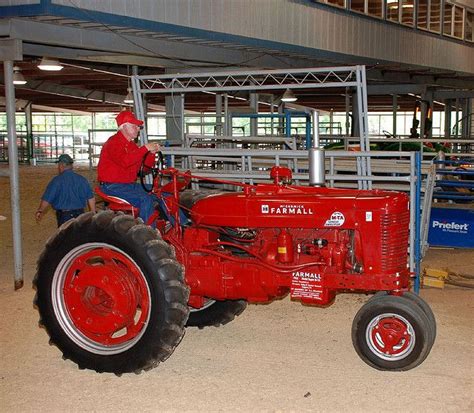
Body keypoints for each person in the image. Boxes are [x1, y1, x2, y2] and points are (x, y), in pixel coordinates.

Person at [97, 110, 161, 224]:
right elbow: (125, 161)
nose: (138, 128)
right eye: (134, 126)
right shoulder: (113, 142)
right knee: (145, 199)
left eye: (138, 126)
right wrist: (145, 148)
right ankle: (148, 234)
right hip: (112, 186)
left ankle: (182, 225)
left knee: (161, 191)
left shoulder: (131, 146)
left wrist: (151, 153)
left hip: (127, 185)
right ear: (124, 127)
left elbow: (144, 168)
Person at [36, 154, 96, 226]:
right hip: (80, 214)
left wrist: (40, 210)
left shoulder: (56, 181)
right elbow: (90, 198)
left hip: (64, 216)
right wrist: (93, 213)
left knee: (66, 236)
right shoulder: (82, 180)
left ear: (61, 165)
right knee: (79, 235)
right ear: (71, 166)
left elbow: (47, 199)